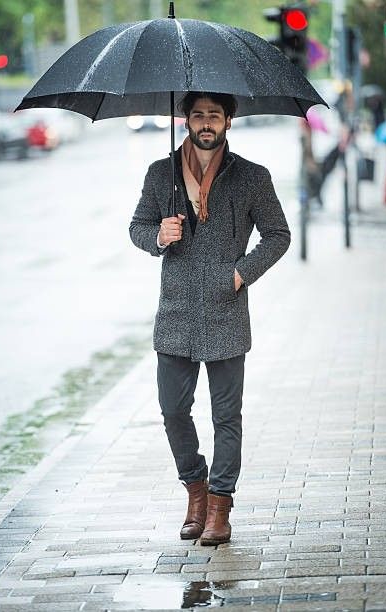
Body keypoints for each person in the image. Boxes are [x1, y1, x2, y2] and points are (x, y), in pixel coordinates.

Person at [129, 91, 290, 545]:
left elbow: (278, 235)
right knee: (173, 410)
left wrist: (241, 273)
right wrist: (157, 235)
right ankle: (194, 490)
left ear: (227, 122)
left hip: (225, 310)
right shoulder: (161, 174)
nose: (205, 122)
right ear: (185, 120)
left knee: (226, 416)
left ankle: (220, 506)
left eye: (213, 115)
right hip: (176, 311)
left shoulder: (252, 177)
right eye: (197, 114)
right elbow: (137, 227)